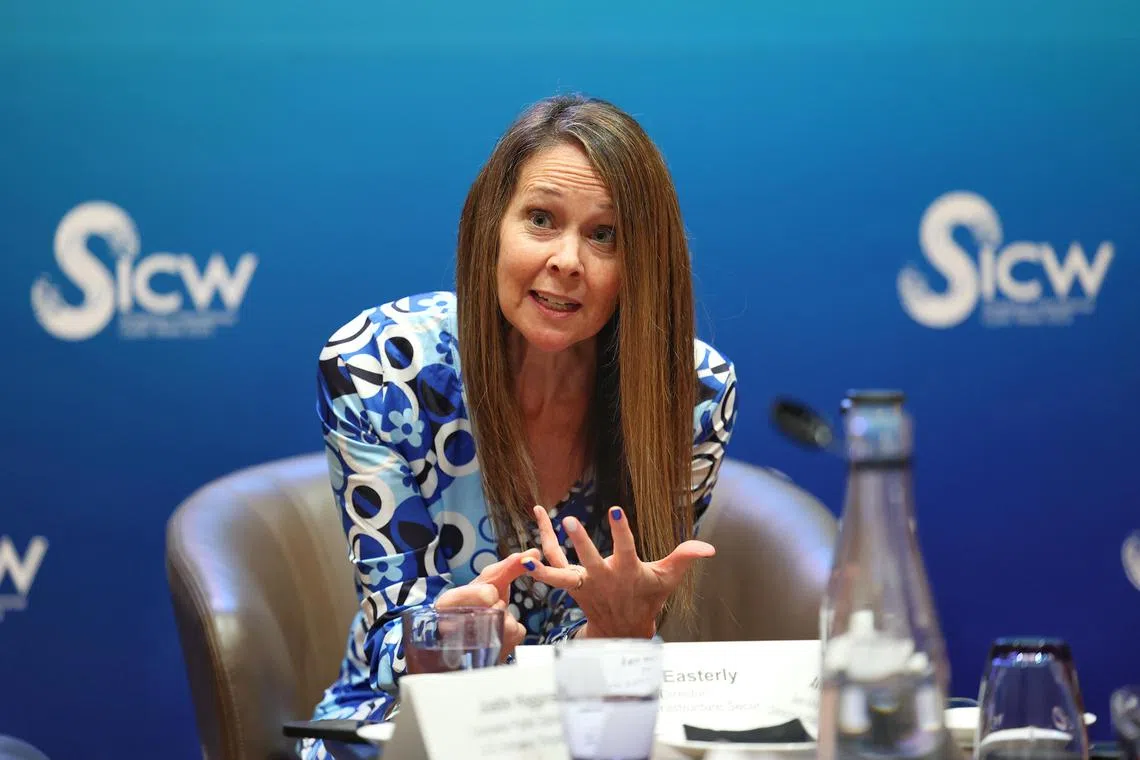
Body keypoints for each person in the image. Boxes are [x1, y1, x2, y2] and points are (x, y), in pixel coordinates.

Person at [300, 93, 737, 759]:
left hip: (577, 725)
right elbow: (393, 626)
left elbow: (605, 650)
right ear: (491, 226)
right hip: (397, 723)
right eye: (541, 219)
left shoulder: (693, 394)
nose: (567, 260)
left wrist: (616, 628)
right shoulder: (380, 369)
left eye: (604, 235)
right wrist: (446, 641)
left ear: (641, 264)